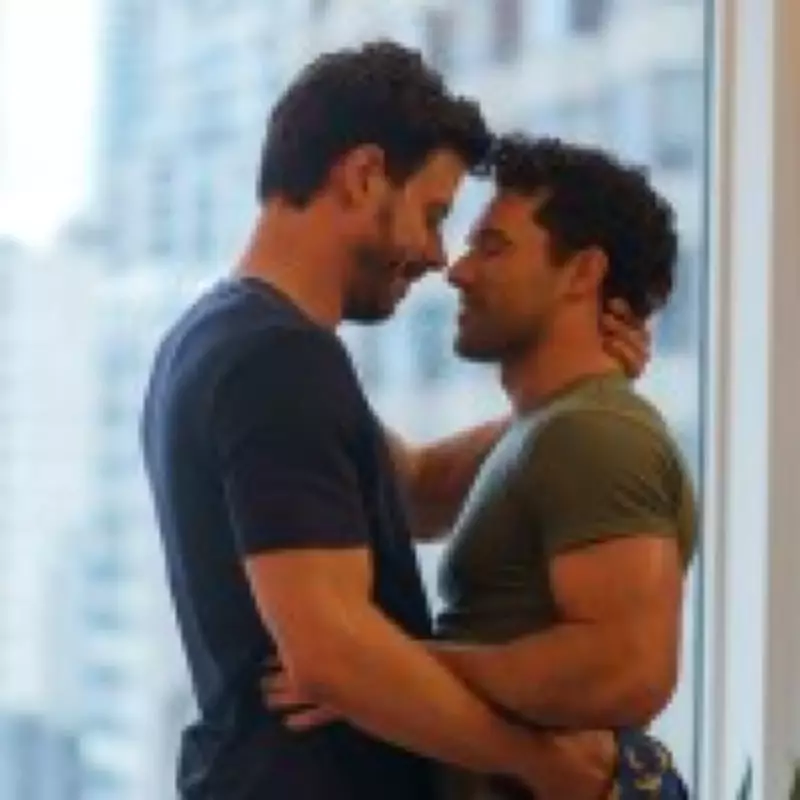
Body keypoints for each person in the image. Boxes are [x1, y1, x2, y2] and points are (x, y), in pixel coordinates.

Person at [141, 42, 647, 800]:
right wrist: (536, 761)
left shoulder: (217, 337)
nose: (439, 257)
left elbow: (415, 490)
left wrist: (568, 397)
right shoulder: (278, 360)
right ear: (364, 175)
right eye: (434, 215)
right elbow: (332, 657)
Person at [267, 136, 697, 800]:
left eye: (492, 248)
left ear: (582, 273)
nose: (458, 271)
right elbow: (411, 489)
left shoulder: (597, 434)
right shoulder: (556, 429)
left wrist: (382, 669)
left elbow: (628, 670)